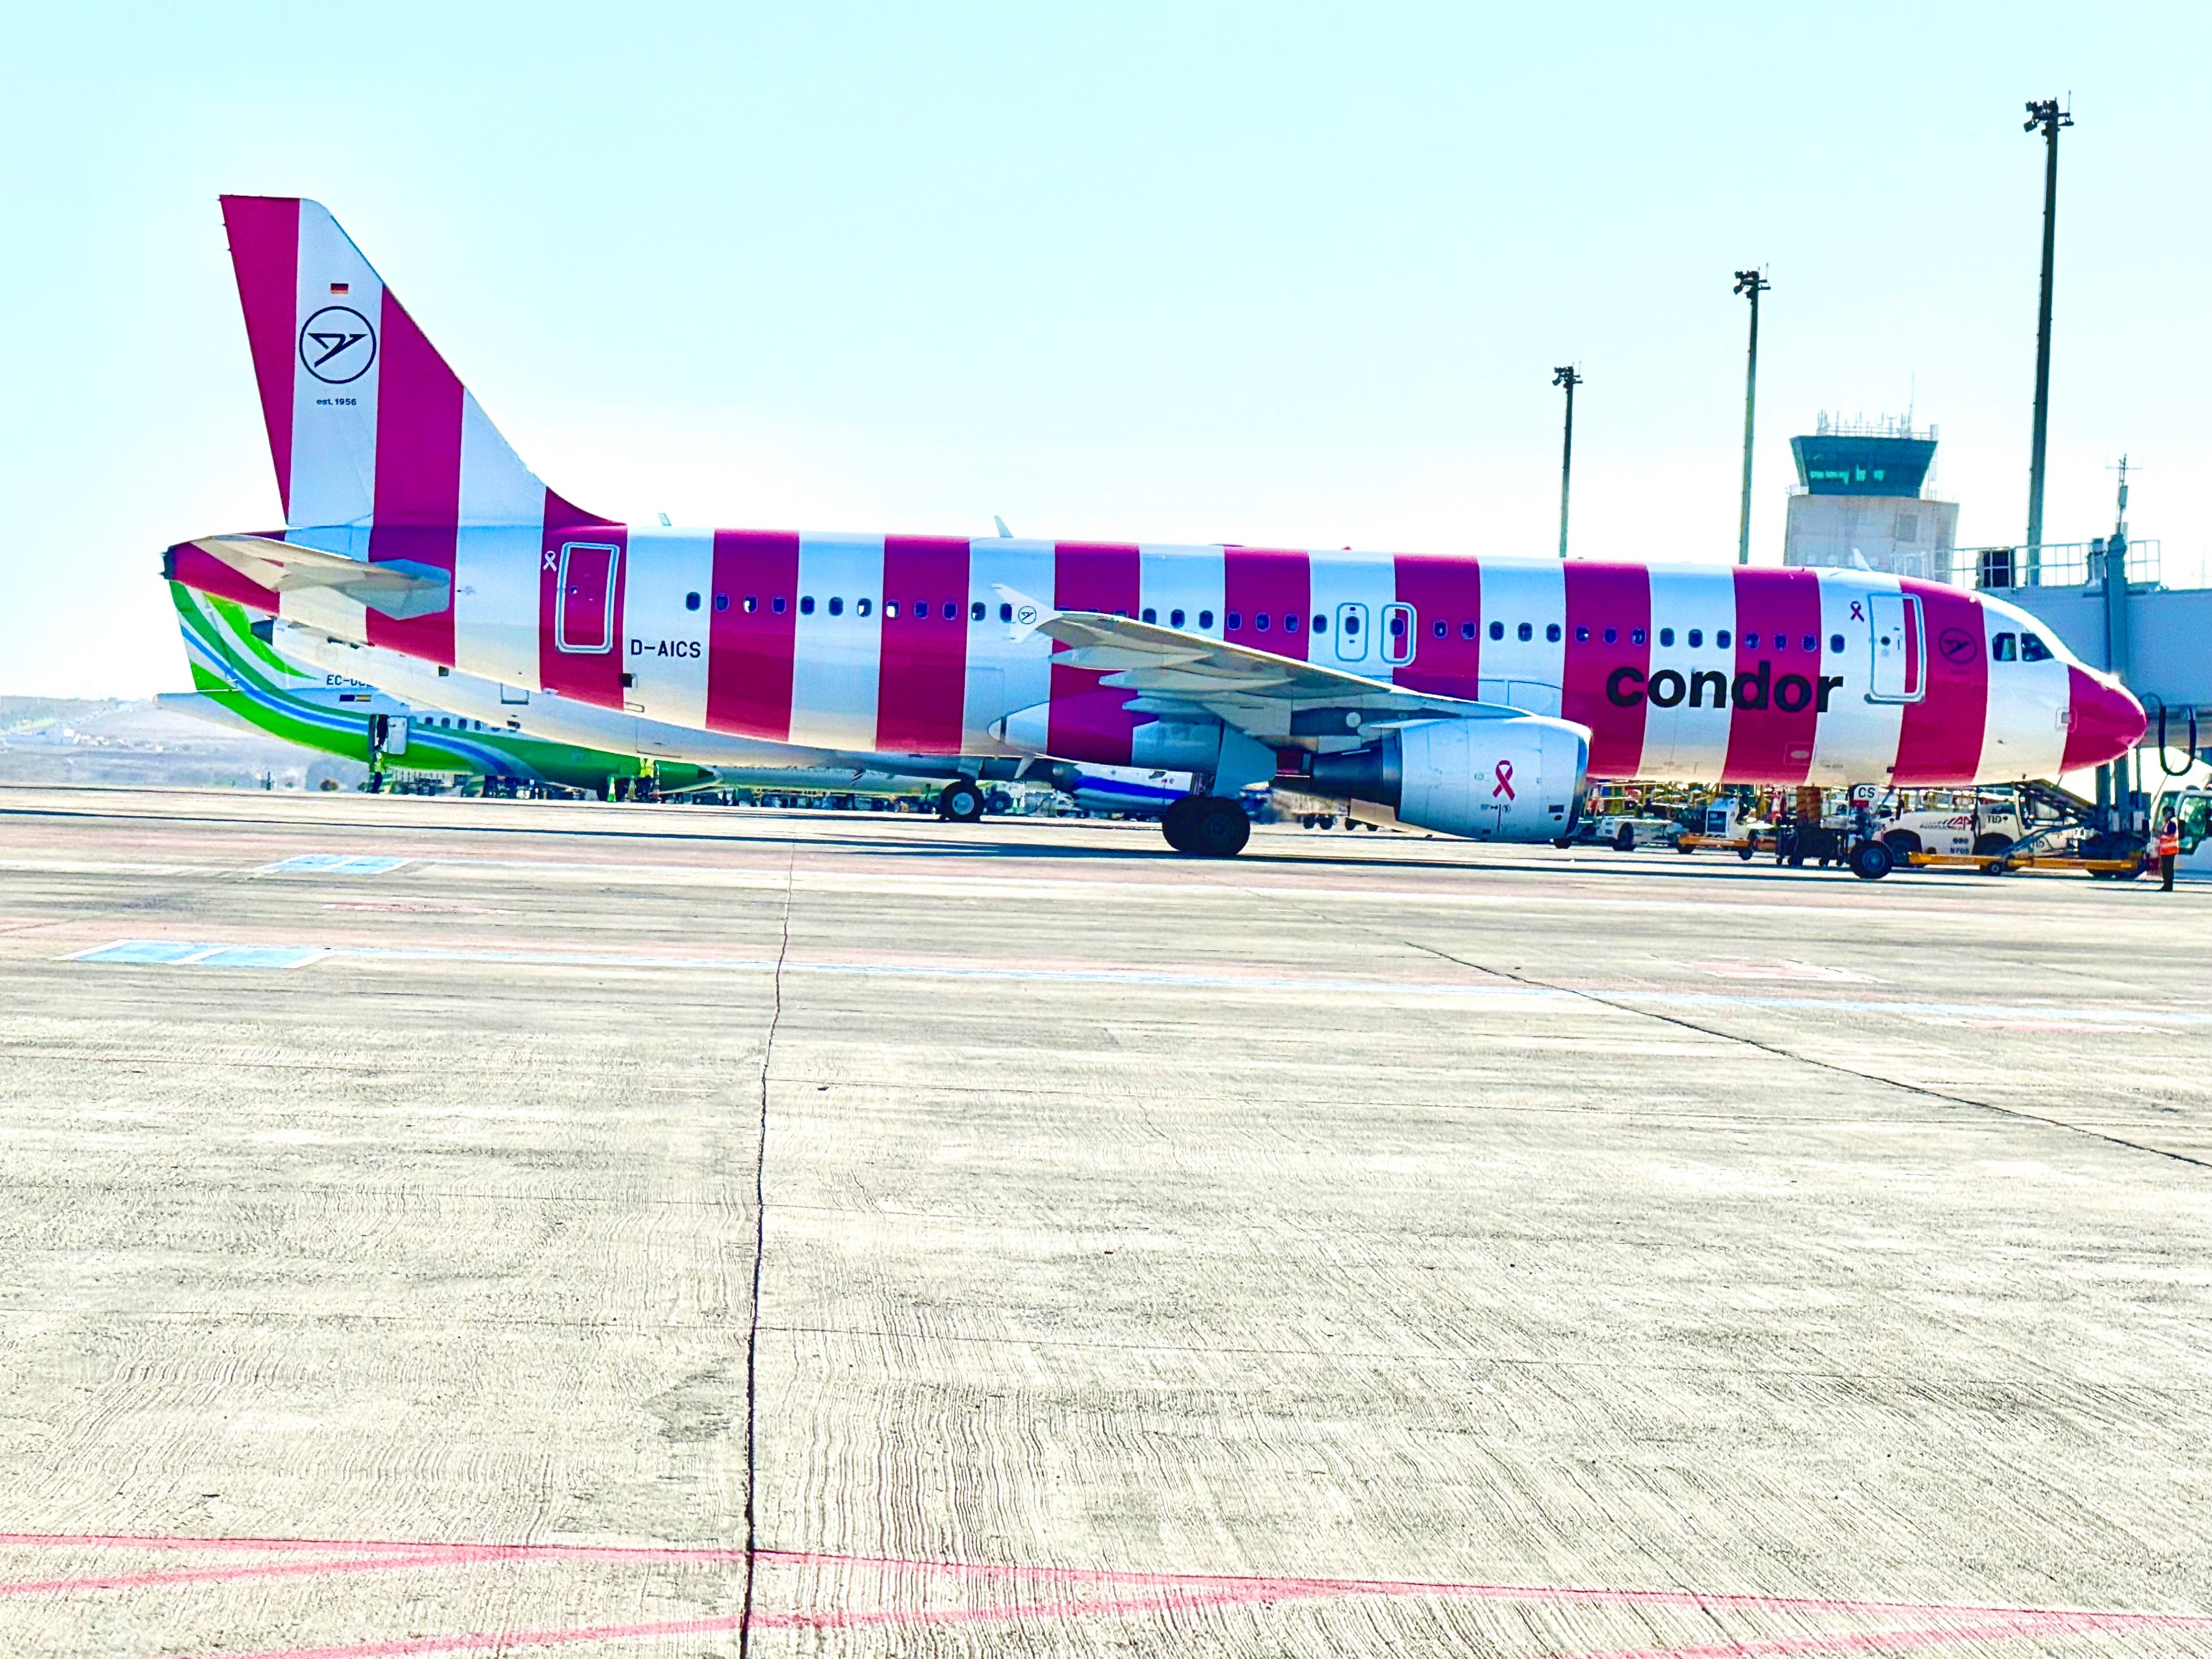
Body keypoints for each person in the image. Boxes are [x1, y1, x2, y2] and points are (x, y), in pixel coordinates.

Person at [2157, 813, 2182, 891]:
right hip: (2168, 850)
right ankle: (2167, 886)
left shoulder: (2171, 822)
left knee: (2167, 869)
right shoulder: (2172, 822)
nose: (2164, 816)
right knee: (2168, 869)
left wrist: (2161, 834)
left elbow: (2171, 835)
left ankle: (2168, 886)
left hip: (2168, 850)